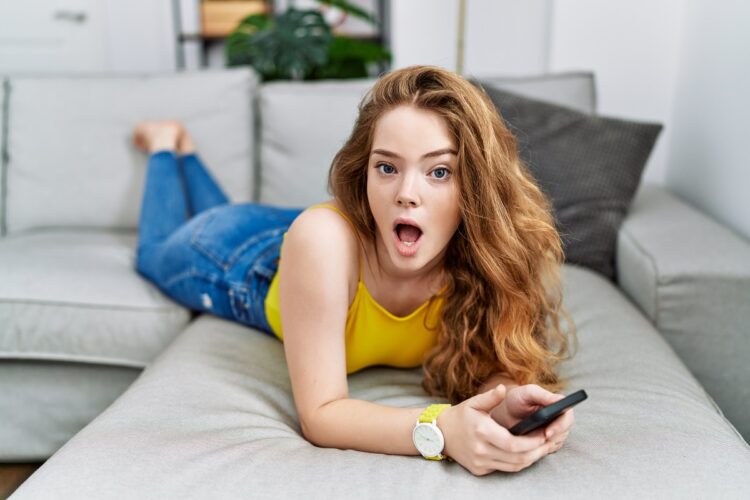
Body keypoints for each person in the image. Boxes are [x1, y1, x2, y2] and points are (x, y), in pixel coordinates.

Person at [132, 65, 578, 476]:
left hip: (315, 240)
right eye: (386, 167)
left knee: (248, 218)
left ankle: (186, 151)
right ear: (363, 172)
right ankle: (165, 147)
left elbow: (497, 362)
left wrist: (505, 404)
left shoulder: (488, 255)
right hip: (240, 260)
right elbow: (322, 414)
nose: (406, 193)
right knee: (153, 253)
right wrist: (442, 428)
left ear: (476, 188)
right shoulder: (321, 239)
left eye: (439, 172)